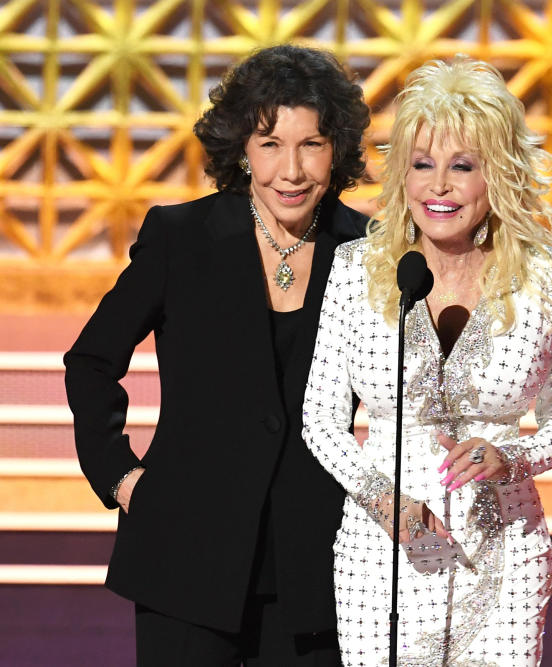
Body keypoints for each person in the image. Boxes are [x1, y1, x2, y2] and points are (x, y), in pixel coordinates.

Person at [64, 44, 370, 665]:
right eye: (270, 144)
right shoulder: (183, 238)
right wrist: (120, 476)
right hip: (185, 555)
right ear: (241, 152)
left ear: (336, 149)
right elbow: (91, 361)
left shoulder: (366, 249)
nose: (291, 170)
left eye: (310, 144)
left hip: (317, 564)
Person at [301, 56, 552, 666]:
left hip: (507, 553)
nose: (439, 186)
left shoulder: (545, 278)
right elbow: (321, 422)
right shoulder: (357, 272)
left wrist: (513, 457)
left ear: (500, 174)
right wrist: (382, 499)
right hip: (382, 554)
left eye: (463, 166)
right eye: (422, 165)